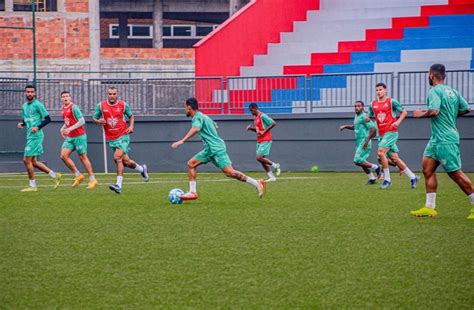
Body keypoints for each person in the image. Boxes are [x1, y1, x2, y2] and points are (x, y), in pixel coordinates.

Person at [411, 64, 473, 219]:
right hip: (436, 139)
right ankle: (429, 207)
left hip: (445, 139)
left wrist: (420, 114)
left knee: (455, 174)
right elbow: (467, 109)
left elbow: (434, 111)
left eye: (428, 74)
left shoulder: (434, 91)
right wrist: (450, 115)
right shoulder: (453, 91)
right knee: (427, 169)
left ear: (431, 75)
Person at [171, 97, 265, 200]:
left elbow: (196, 128)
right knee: (191, 164)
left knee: (230, 172)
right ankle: (193, 192)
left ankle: (257, 183)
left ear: (189, 107)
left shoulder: (197, 118)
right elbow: (215, 126)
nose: (184, 109)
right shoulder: (204, 116)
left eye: (185, 107)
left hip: (216, 149)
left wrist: (182, 140)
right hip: (209, 149)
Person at [92, 86, 149, 194]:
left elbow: (131, 116)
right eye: (110, 94)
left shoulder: (123, 105)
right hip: (111, 138)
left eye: (114, 94)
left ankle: (118, 185)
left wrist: (131, 127)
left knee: (117, 158)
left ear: (117, 95)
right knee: (126, 162)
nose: (112, 96)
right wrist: (98, 121)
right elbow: (94, 118)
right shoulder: (101, 106)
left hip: (123, 136)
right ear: (107, 94)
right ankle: (142, 169)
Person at [368, 82, 419, 189]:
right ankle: (413, 177)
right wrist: (367, 118)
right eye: (377, 90)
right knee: (394, 158)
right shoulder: (373, 104)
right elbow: (370, 116)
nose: (378, 92)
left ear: (385, 90)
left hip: (391, 132)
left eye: (380, 89)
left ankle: (387, 180)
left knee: (381, 153)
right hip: (381, 134)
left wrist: (397, 122)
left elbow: (404, 112)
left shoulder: (391, 101)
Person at [17, 85, 62, 192]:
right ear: (25, 93)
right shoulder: (24, 106)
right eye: (28, 92)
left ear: (35, 93)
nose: (30, 94)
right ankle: (54, 175)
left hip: (36, 136)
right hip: (29, 135)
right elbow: (27, 119)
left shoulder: (38, 105)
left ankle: (33, 186)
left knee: (26, 160)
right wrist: (22, 124)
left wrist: (37, 127)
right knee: (34, 162)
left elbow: (48, 119)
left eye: (32, 92)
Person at [59, 91, 98, 189]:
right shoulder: (63, 109)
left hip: (79, 136)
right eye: (63, 97)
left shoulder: (74, 107)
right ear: (61, 99)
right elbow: (68, 121)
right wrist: (62, 128)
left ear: (70, 98)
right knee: (63, 156)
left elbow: (82, 121)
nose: (65, 98)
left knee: (82, 157)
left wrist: (69, 129)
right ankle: (78, 175)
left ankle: (93, 179)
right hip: (70, 137)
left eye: (67, 96)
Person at [339, 100, 380, 184]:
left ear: (362, 107)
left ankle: (376, 167)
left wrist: (367, 140)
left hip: (364, 142)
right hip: (359, 142)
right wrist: (345, 126)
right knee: (361, 162)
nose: (356, 108)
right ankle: (372, 178)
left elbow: (373, 129)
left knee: (357, 160)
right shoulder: (357, 116)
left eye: (358, 106)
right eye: (355, 106)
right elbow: (356, 127)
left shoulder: (365, 116)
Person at [246, 103, 281, 182]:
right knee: (261, 159)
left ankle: (275, 165)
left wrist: (264, 132)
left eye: (251, 110)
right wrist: (251, 129)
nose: (251, 112)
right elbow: (259, 131)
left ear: (255, 108)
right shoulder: (255, 118)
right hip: (260, 140)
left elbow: (273, 123)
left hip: (266, 139)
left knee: (259, 157)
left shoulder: (262, 116)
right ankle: (271, 177)